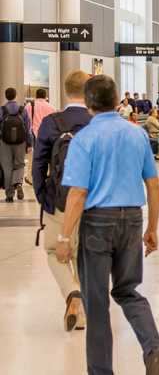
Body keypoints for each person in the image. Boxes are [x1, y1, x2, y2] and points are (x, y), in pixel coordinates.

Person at [55, 75, 159, 375]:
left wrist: (64, 237)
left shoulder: (84, 139)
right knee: (128, 290)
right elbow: (154, 186)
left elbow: (78, 193)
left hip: (97, 223)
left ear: (89, 104)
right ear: (117, 100)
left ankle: (101, 371)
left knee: (96, 300)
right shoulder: (137, 134)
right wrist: (152, 228)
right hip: (131, 218)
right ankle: (153, 348)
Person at [32, 70, 91, 332]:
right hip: (92, 200)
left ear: (66, 91)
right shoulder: (97, 121)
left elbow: (38, 163)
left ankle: (72, 294)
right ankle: (82, 313)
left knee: (55, 252)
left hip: (59, 198)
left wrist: (44, 196)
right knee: (84, 255)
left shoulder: (52, 122)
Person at [0, 87, 33, 202]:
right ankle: (18, 183)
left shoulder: (2, 110)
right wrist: (29, 144)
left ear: (6, 96)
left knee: (7, 167)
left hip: (4, 142)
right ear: (15, 96)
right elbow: (28, 128)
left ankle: (9, 194)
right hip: (21, 141)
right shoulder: (22, 109)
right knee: (19, 164)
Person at [24, 88, 55, 185]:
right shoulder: (51, 107)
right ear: (45, 96)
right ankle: (48, 175)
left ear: (36, 96)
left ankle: (29, 177)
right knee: (48, 155)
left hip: (32, 133)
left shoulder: (29, 106)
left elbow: (25, 120)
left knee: (32, 156)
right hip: (46, 134)